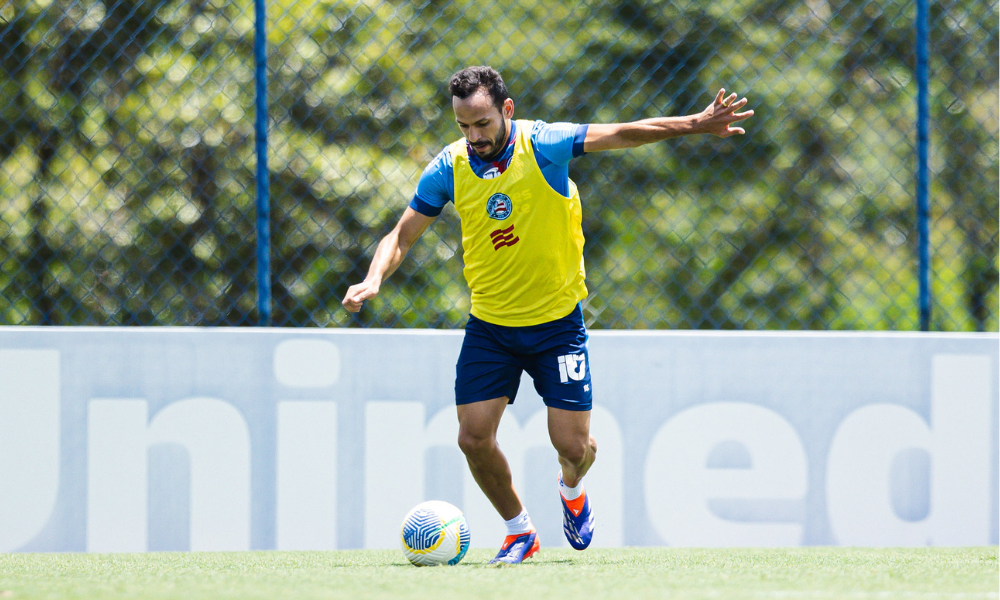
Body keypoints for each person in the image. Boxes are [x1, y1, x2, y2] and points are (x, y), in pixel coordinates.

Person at [343, 66, 753, 564]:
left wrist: (695, 123)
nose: (474, 136)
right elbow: (401, 235)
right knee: (473, 438)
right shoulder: (449, 168)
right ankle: (520, 531)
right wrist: (375, 276)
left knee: (574, 447)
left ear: (507, 110)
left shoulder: (544, 144)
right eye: (463, 127)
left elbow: (621, 133)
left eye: (482, 124)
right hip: (490, 328)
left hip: (557, 327)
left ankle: (572, 490)